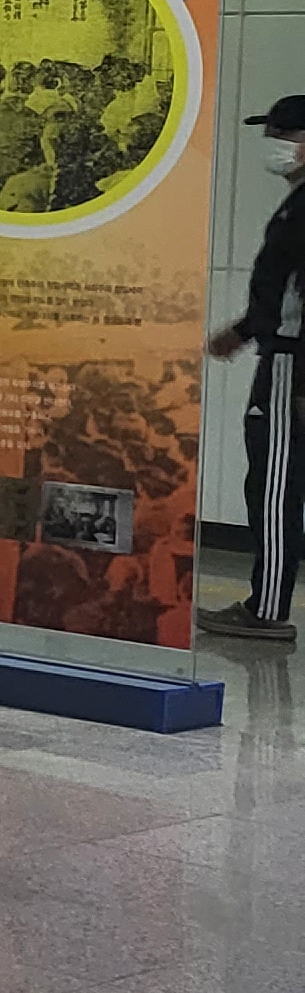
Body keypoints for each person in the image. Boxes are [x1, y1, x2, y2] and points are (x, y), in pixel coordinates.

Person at [205, 92, 305, 641]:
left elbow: (283, 294)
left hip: (292, 361)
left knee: (274, 483)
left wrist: (243, 332)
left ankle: (267, 610)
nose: (274, 144)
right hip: (285, 354)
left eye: (284, 134)